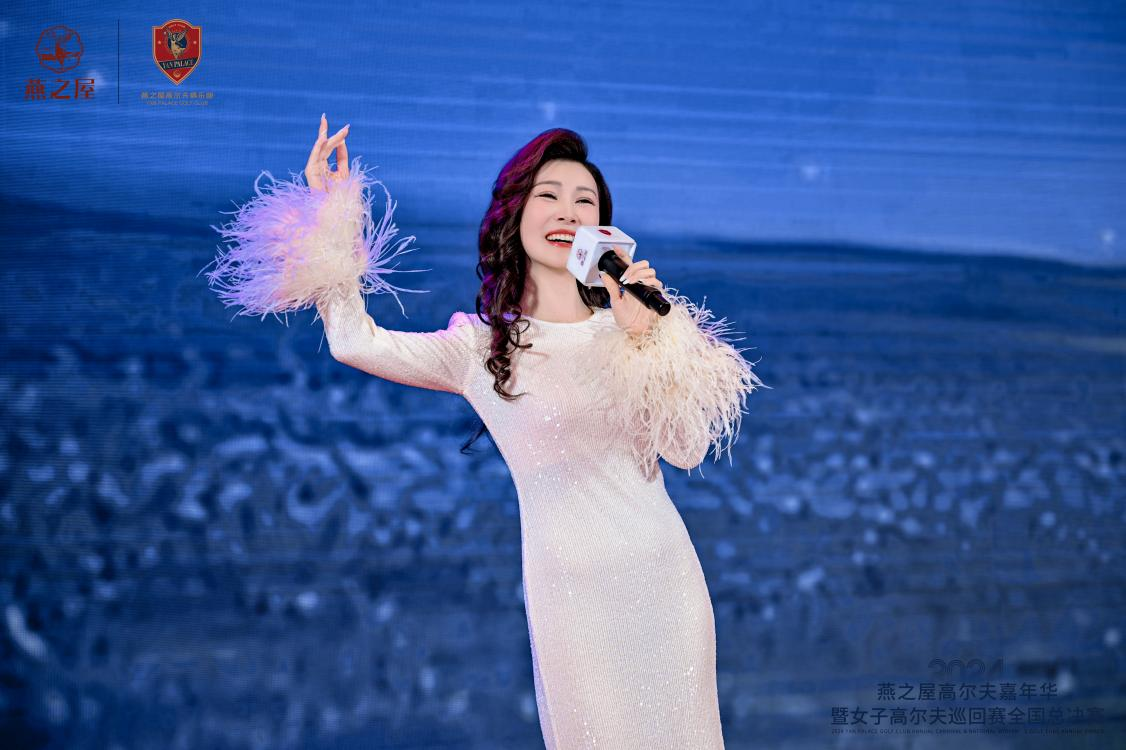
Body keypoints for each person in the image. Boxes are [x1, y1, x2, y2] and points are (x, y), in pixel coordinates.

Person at [206, 115, 766, 749]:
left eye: (584, 202)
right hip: (572, 588)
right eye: (548, 195)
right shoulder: (478, 347)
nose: (567, 211)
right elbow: (352, 341)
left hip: (664, 579)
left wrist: (650, 339)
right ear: (515, 213)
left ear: (603, 231)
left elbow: (687, 448)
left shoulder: (630, 330)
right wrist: (330, 214)